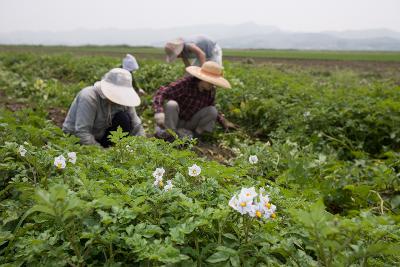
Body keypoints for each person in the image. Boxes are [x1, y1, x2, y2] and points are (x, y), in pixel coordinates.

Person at [153, 61, 237, 141]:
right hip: (175, 121)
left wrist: (224, 122)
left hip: (190, 123)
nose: (213, 84)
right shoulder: (186, 83)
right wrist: (159, 111)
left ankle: (194, 137)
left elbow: (212, 107)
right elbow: (162, 92)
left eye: (214, 82)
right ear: (202, 78)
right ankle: (170, 135)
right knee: (171, 104)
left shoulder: (211, 91)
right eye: (210, 82)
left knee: (212, 110)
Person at [63, 68, 145, 147]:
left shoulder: (124, 100)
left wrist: (142, 146)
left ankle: (114, 148)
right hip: (76, 138)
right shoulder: (89, 97)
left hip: (101, 134)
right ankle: (100, 149)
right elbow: (82, 132)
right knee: (81, 140)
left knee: (124, 118)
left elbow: (136, 125)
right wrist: (102, 152)